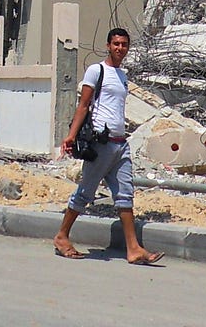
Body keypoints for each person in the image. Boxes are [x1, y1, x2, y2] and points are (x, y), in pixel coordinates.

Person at [52, 27, 163, 265]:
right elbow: (84, 105)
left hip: (120, 144)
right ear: (108, 45)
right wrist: (70, 136)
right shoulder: (96, 71)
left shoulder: (122, 76)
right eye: (116, 44)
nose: (120, 48)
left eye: (124, 44)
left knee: (125, 195)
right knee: (85, 193)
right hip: (101, 144)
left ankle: (133, 249)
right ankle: (62, 236)